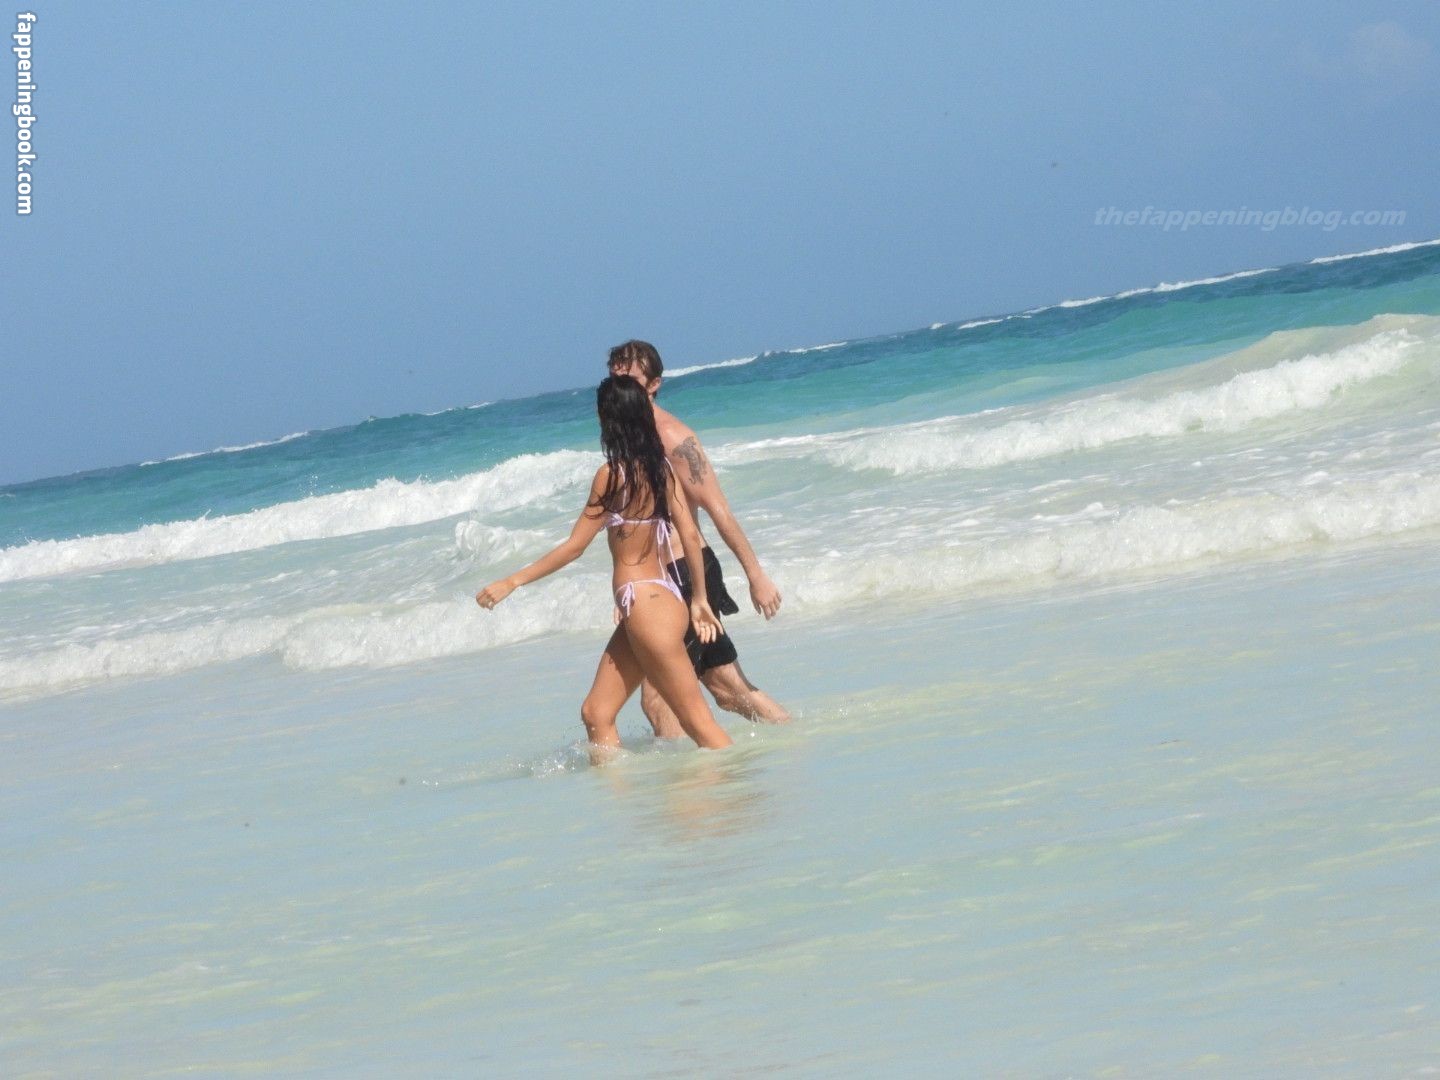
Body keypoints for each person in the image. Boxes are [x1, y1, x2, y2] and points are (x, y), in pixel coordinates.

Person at [476, 376, 732, 755]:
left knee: (698, 722)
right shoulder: (660, 470)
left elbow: (574, 547)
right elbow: (690, 537)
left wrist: (512, 581)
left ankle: (739, 783)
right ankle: (616, 791)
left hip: (647, 608)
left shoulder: (611, 476)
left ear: (606, 418)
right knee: (596, 712)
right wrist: (697, 599)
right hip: (656, 602)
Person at [606, 340, 790, 735]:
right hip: (655, 580)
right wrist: (628, 588)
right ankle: (714, 765)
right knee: (704, 694)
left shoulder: (673, 438)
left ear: (654, 384)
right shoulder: (628, 440)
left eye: (630, 378)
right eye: (614, 376)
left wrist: (756, 575)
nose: (619, 384)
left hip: (686, 572)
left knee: (692, 693)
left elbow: (718, 508)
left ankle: (785, 740)